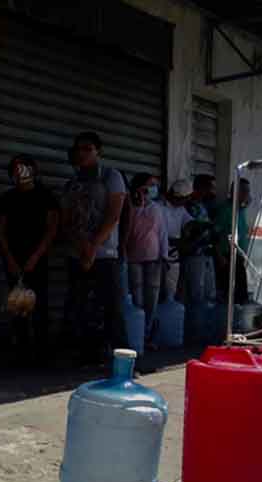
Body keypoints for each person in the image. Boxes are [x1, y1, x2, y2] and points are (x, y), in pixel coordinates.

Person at [60, 131, 127, 364]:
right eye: (79, 149)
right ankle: (83, 354)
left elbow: (114, 214)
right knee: (78, 305)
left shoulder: (111, 176)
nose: (82, 153)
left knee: (112, 307)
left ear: (98, 151)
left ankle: (122, 358)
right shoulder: (72, 183)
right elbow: (67, 220)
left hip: (105, 253)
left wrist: (94, 245)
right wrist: (82, 246)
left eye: (88, 149)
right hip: (77, 253)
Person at [0, 154, 59, 364]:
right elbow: (1, 232)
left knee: (40, 307)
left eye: (23, 168)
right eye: (15, 169)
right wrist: (10, 259)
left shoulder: (45, 196)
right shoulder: (7, 199)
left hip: (38, 260)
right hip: (13, 261)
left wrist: (36, 257)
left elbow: (52, 229)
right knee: (17, 307)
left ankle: (42, 353)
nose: (19, 172)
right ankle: (22, 352)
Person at [123, 173, 169, 344]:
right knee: (137, 298)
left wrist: (164, 256)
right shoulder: (130, 206)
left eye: (154, 185)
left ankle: (148, 333)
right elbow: (127, 230)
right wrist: (138, 204)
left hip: (154, 259)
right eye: (149, 185)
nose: (152, 188)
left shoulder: (157, 208)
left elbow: (162, 234)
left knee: (152, 299)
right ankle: (137, 333)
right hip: (133, 258)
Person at [211, 177, 253, 306]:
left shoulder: (240, 210)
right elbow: (214, 234)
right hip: (226, 258)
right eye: (245, 191)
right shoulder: (225, 210)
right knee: (230, 296)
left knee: (240, 297)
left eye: (248, 191)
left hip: (238, 258)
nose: (247, 195)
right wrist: (219, 256)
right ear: (236, 192)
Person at [179, 174, 218, 305]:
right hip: (193, 255)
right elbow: (187, 231)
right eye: (211, 188)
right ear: (201, 187)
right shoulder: (188, 206)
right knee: (195, 295)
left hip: (205, 254)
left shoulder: (203, 206)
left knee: (208, 295)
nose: (213, 192)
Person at [160, 179, 194, 301]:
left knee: (170, 296)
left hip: (174, 258)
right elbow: (159, 236)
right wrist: (179, 242)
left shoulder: (180, 209)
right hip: (159, 259)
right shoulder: (159, 208)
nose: (187, 201)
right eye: (185, 199)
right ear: (178, 197)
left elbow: (189, 222)